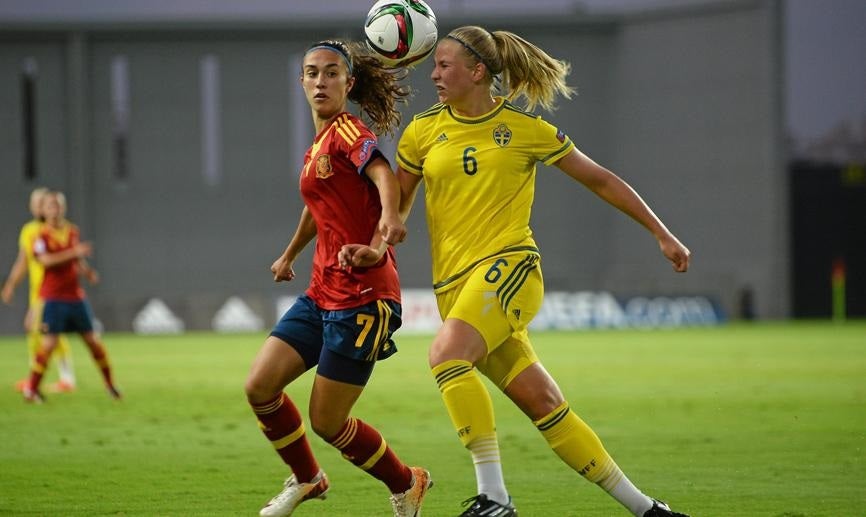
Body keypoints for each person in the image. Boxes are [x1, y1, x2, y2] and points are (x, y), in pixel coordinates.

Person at [394, 26, 692, 517]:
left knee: (446, 355)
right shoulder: (423, 130)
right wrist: (384, 229)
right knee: (545, 405)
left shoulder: (524, 129)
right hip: (455, 288)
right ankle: (648, 510)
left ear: (477, 71)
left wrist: (662, 232)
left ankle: (494, 498)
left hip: (509, 269)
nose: (434, 74)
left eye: (444, 65)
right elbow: (398, 206)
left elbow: (601, 179)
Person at [243, 39, 431, 517]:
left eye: (331, 73)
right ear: (301, 82)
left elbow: (383, 172)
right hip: (322, 292)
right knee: (260, 386)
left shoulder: (348, 130)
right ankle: (308, 478)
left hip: (364, 297)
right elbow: (317, 208)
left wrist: (386, 227)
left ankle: (407, 482)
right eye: (312, 73)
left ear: (349, 83)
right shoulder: (318, 146)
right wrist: (288, 255)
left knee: (327, 421)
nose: (320, 81)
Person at [21, 191, 121, 403]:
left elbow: (76, 261)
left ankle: (111, 385)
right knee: (48, 345)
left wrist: (87, 272)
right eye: (50, 206)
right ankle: (31, 389)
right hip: (53, 298)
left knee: (93, 342)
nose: (55, 210)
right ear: (44, 211)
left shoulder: (72, 231)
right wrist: (74, 253)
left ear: (63, 208)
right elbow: (45, 261)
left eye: (58, 206)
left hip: (75, 297)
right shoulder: (40, 236)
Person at [2, 187, 77, 393]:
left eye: (41, 203)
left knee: (48, 331)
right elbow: (23, 261)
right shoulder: (30, 231)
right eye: (35, 203)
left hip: (52, 291)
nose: (37, 206)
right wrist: (11, 284)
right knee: (39, 332)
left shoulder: (59, 229)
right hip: (38, 289)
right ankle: (41, 378)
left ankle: (63, 378)